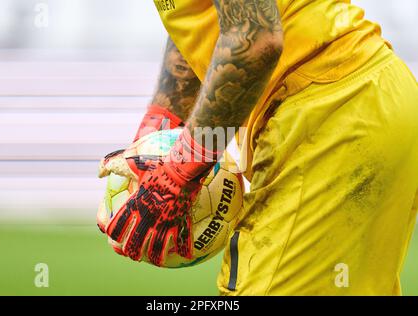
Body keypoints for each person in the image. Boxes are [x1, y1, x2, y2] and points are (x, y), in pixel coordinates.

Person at [98, 0, 418, 295]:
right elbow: (211, 13)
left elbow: (253, 36)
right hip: (360, 98)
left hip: (334, 111)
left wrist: (178, 173)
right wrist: (164, 117)